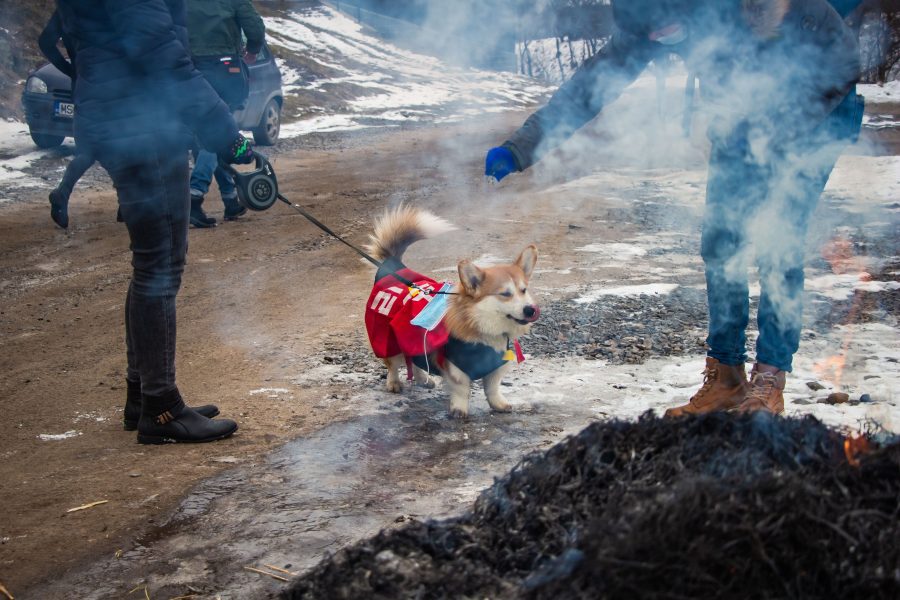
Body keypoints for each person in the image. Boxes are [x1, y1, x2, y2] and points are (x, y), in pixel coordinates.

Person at [485, 0, 864, 415]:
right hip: (738, 119)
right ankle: (726, 377)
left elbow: (843, 63)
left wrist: (779, 129)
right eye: (649, 37)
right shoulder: (651, 19)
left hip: (815, 117)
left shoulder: (770, 6)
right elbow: (590, 87)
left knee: (778, 243)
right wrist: (520, 148)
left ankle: (769, 379)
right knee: (721, 243)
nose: (657, 42)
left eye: (664, 32)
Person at [55, 0, 255, 443]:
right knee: (160, 268)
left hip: (124, 123)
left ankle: (142, 396)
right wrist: (228, 137)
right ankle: (162, 408)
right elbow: (165, 59)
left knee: (150, 266)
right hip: (141, 132)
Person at [185, 0, 266, 228]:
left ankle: (230, 198)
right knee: (218, 133)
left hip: (190, 68)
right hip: (225, 68)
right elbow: (255, 26)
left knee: (206, 133)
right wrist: (252, 51)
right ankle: (195, 194)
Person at [38, 10, 96, 230]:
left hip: (82, 87)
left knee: (88, 150)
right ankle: (128, 206)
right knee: (121, 145)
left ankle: (63, 192)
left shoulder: (70, 6)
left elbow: (45, 41)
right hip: (111, 88)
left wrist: (72, 71)